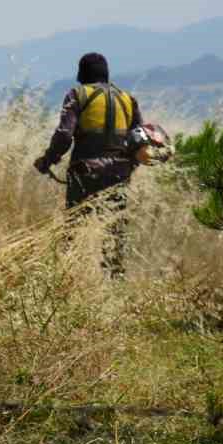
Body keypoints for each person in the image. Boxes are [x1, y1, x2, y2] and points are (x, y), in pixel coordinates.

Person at [33, 52, 141, 277]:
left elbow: (64, 135)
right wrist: (126, 168)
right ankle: (114, 285)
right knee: (114, 236)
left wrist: (47, 160)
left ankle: (65, 281)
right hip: (118, 177)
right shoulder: (127, 98)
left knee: (72, 233)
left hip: (85, 175)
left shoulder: (77, 94)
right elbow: (139, 141)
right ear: (107, 74)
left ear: (81, 74)